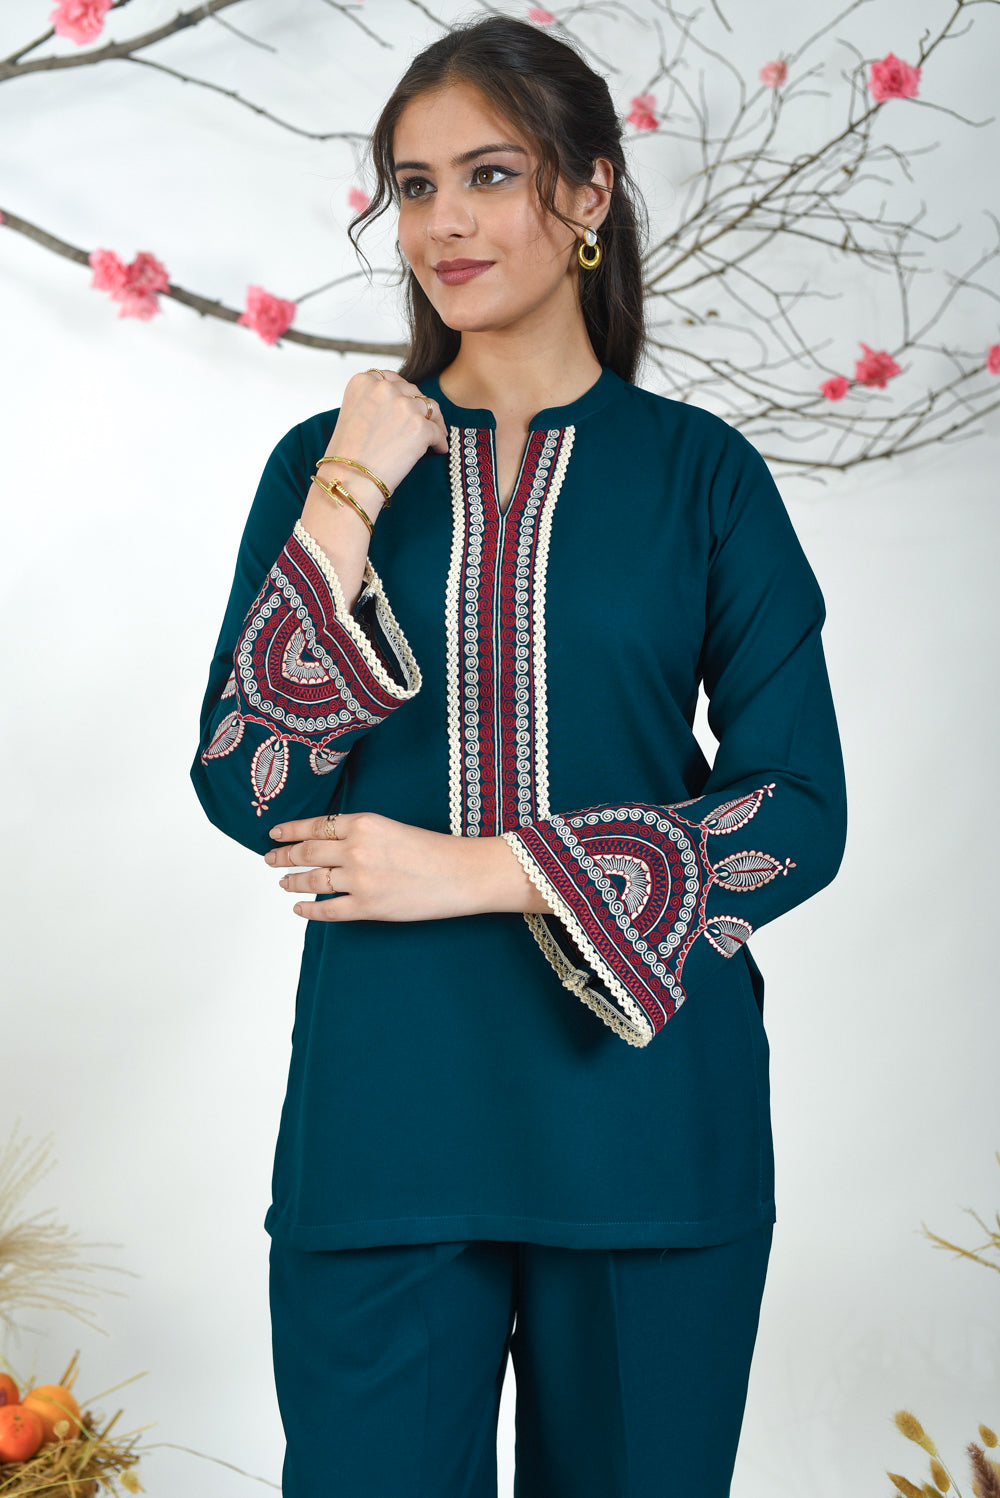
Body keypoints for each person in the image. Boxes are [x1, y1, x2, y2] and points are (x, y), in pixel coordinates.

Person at [191, 14, 848, 1497]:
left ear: (591, 190)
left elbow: (797, 813)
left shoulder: (698, 474)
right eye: (415, 186)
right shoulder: (324, 466)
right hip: (384, 1119)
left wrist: (476, 870)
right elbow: (249, 786)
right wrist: (351, 488)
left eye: (490, 174)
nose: (446, 222)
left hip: (645, 1121)